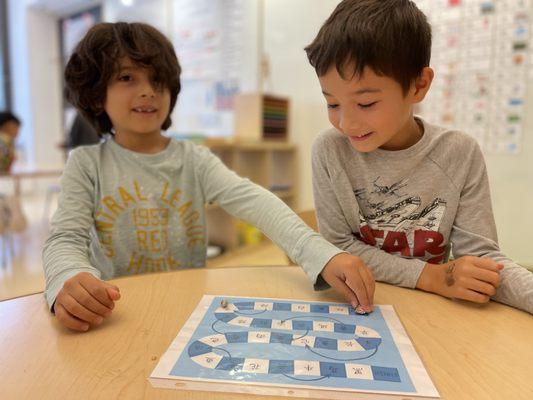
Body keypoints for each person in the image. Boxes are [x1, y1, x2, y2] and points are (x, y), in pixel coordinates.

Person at [43, 22, 375, 332]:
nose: (148, 92)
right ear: (96, 93)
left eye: (157, 79)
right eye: (127, 78)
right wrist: (68, 277)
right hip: (118, 316)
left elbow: (255, 202)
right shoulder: (86, 164)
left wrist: (320, 252)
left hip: (188, 313)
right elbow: (65, 239)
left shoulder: (195, 159)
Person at [305, 0, 533, 314]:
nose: (346, 123)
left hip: (431, 316)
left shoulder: (459, 153)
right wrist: (430, 276)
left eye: (367, 103)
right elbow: (338, 247)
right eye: (332, 104)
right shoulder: (329, 150)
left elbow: (482, 262)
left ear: (419, 85)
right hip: (356, 306)